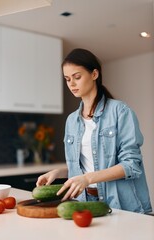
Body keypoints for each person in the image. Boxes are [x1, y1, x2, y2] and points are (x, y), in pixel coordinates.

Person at [36, 48, 152, 213]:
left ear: (94, 74)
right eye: (67, 79)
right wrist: (59, 172)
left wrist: (88, 178)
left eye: (77, 77)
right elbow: (85, 165)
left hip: (123, 205)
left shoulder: (120, 111)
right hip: (85, 202)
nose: (72, 84)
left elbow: (131, 165)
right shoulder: (71, 121)